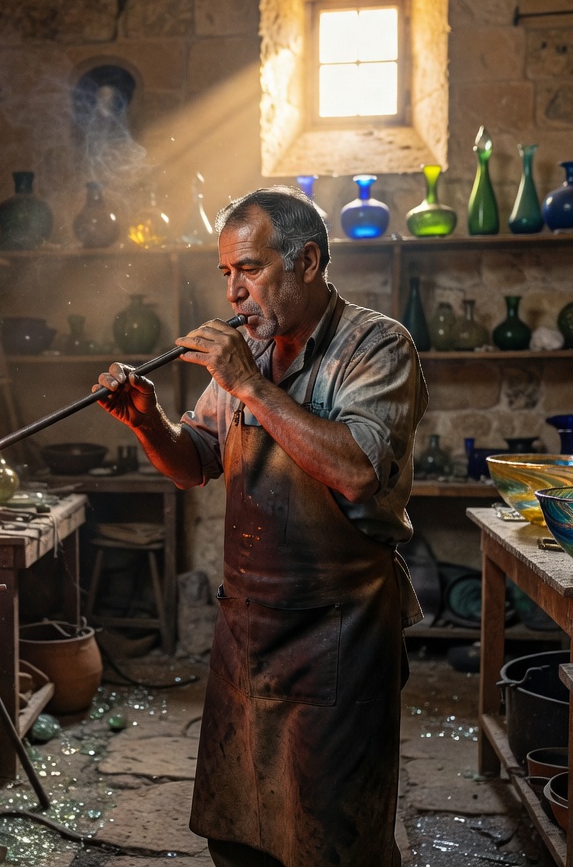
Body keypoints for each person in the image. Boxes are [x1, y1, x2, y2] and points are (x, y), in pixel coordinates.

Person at [95, 186, 427, 867]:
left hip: (339, 625)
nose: (234, 292)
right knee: (237, 822)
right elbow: (194, 464)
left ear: (307, 261)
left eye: (249, 269)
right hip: (247, 624)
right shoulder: (251, 349)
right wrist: (146, 420)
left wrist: (249, 384)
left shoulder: (377, 346)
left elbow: (358, 470)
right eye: (226, 274)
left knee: (331, 832)